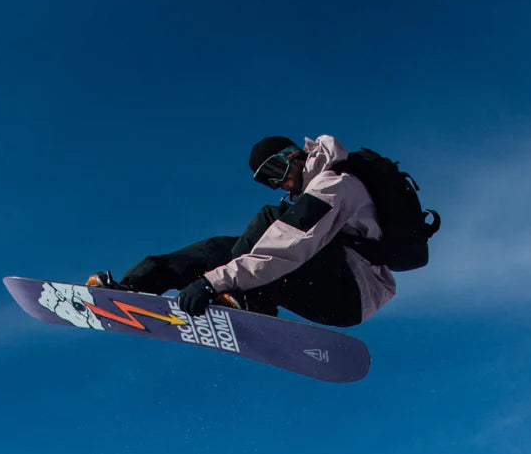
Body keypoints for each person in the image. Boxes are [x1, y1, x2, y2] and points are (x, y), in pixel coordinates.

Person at [87, 135, 396, 328]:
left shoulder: (333, 186)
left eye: (276, 171)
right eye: (267, 180)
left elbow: (287, 248)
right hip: (329, 278)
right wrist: (212, 278)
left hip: (351, 294)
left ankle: (249, 299)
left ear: (295, 156)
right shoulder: (315, 192)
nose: (279, 183)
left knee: (270, 221)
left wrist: (211, 283)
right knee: (219, 249)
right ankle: (134, 287)